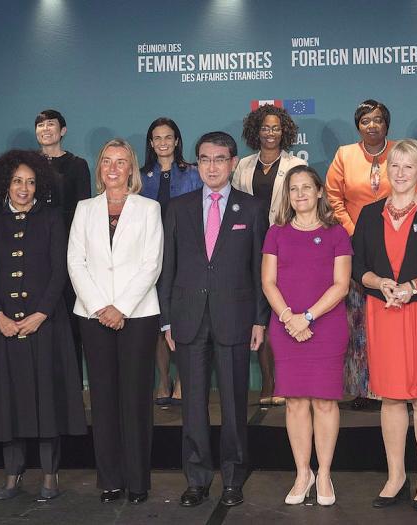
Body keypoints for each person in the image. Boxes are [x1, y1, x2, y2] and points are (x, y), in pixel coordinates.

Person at [158, 131, 269, 508]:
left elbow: (258, 269)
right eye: (205, 159)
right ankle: (197, 479)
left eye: (220, 159)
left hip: (235, 319)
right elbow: (167, 268)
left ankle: (234, 478)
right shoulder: (178, 207)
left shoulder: (252, 208)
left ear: (233, 162)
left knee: (235, 405)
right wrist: (167, 321)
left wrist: (259, 319)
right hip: (188, 320)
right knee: (192, 406)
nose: (212, 166)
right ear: (197, 163)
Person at [353, 139, 417, 512]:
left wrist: (413, 287)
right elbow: (356, 266)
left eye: (408, 167)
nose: (400, 173)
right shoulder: (368, 215)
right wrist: (379, 283)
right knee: (392, 397)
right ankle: (396, 476)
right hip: (384, 311)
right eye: (394, 166)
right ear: (385, 171)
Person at [0, 150, 86, 501]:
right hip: (3, 326)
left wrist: (41, 314)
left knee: (47, 399)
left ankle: (50, 476)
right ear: (5, 184)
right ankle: (12, 476)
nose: (24, 188)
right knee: (8, 401)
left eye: (31, 181)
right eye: (17, 181)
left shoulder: (52, 217)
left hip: (47, 325)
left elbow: (60, 271)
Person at [68, 139, 163, 505]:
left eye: (120, 162)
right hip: (92, 316)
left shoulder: (149, 208)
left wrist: (120, 307)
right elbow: (75, 262)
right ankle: (109, 479)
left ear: (131, 169)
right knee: (104, 399)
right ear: (99, 168)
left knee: (136, 399)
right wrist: (100, 306)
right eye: (106, 161)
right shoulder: (84, 209)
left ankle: (138, 481)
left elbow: (151, 264)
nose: (112, 167)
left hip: (137, 315)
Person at [261, 165, 350, 506]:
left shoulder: (337, 233)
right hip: (285, 327)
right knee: (296, 401)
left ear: (318, 193)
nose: (299, 194)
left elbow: (341, 285)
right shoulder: (276, 232)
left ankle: (324, 472)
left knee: (325, 401)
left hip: (325, 326)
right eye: (293, 189)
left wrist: (308, 317)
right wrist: (288, 317)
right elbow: (268, 281)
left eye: (306, 188)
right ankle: (302, 472)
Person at [325, 99, 397, 411]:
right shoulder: (344, 155)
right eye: (366, 120)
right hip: (353, 247)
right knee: (356, 321)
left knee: (392, 319)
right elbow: (332, 197)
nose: (372, 125)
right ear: (358, 125)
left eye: (378, 119)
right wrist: (356, 232)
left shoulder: (400, 152)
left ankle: (394, 386)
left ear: (386, 124)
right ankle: (363, 389)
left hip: (397, 247)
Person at [234, 104, 307, 407]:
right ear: (256, 131)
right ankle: (268, 382)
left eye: (276, 127)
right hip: (247, 246)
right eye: (265, 127)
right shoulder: (243, 166)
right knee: (258, 315)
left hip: (283, 245)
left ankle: (287, 381)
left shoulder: (294, 165)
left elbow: (301, 205)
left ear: (285, 131)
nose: (270, 133)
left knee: (282, 313)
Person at [138, 117, 202, 407]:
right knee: (155, 320)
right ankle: (163, 380)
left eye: (169, 137)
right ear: (151, 143)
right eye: (157, 138)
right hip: (148, 256)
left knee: (184, 320)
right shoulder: (139, 177)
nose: (163, 142)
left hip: (187, 256)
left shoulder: (193, 173)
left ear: (177, 141)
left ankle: (182, 382)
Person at [35, 109, 92, 383]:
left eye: (51, 124)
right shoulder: (26, 164)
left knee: (70, 323)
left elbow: (83, 209)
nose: (45, 129)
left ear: (63, 130)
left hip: (69, 252)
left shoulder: (77, 165)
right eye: (40, 125)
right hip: (35, 253)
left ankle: (73, 388)